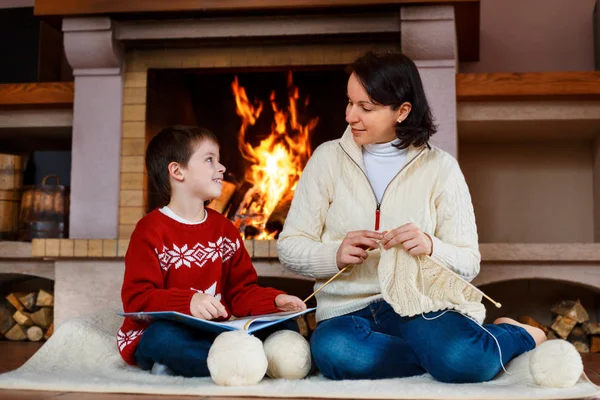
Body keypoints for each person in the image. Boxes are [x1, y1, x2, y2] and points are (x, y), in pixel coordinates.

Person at [277, 51, 546, 383]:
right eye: (349, 103)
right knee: (336, 353)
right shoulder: (326, 159)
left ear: (402, 111)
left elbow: (469, 261)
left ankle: (516, 334)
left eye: (366, 108)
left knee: (465, 359)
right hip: (348, 314)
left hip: (420, 305)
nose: (350, 116)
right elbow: (288, 247)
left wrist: (431, 246)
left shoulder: (440, 167)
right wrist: (332, 255)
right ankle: (440, 357)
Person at [117, 125, 306, 377]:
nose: (222, 168)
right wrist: (189, 302)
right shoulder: (149, 231)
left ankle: (218, 361)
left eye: (218, 160)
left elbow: (241, 291)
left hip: (215, 330)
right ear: (177, 171)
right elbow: (137, 299)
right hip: (164, 329)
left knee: (287, 326)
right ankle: (236, 362)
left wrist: (273, 301)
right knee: (162, 339)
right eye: (209, 160)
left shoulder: (224, 229)